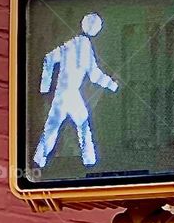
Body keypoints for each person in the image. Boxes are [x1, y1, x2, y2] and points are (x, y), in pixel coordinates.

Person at [32, 12, 118, 169]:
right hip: (68, 94)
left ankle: (41, 160)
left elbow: (48, 58)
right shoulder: (83, 47)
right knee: (80, 126)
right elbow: (94, 75)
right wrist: (112, 85)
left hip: (64, 93)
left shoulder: (70, 45)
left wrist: (45, 87)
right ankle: (89, 162)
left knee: (60, 127)